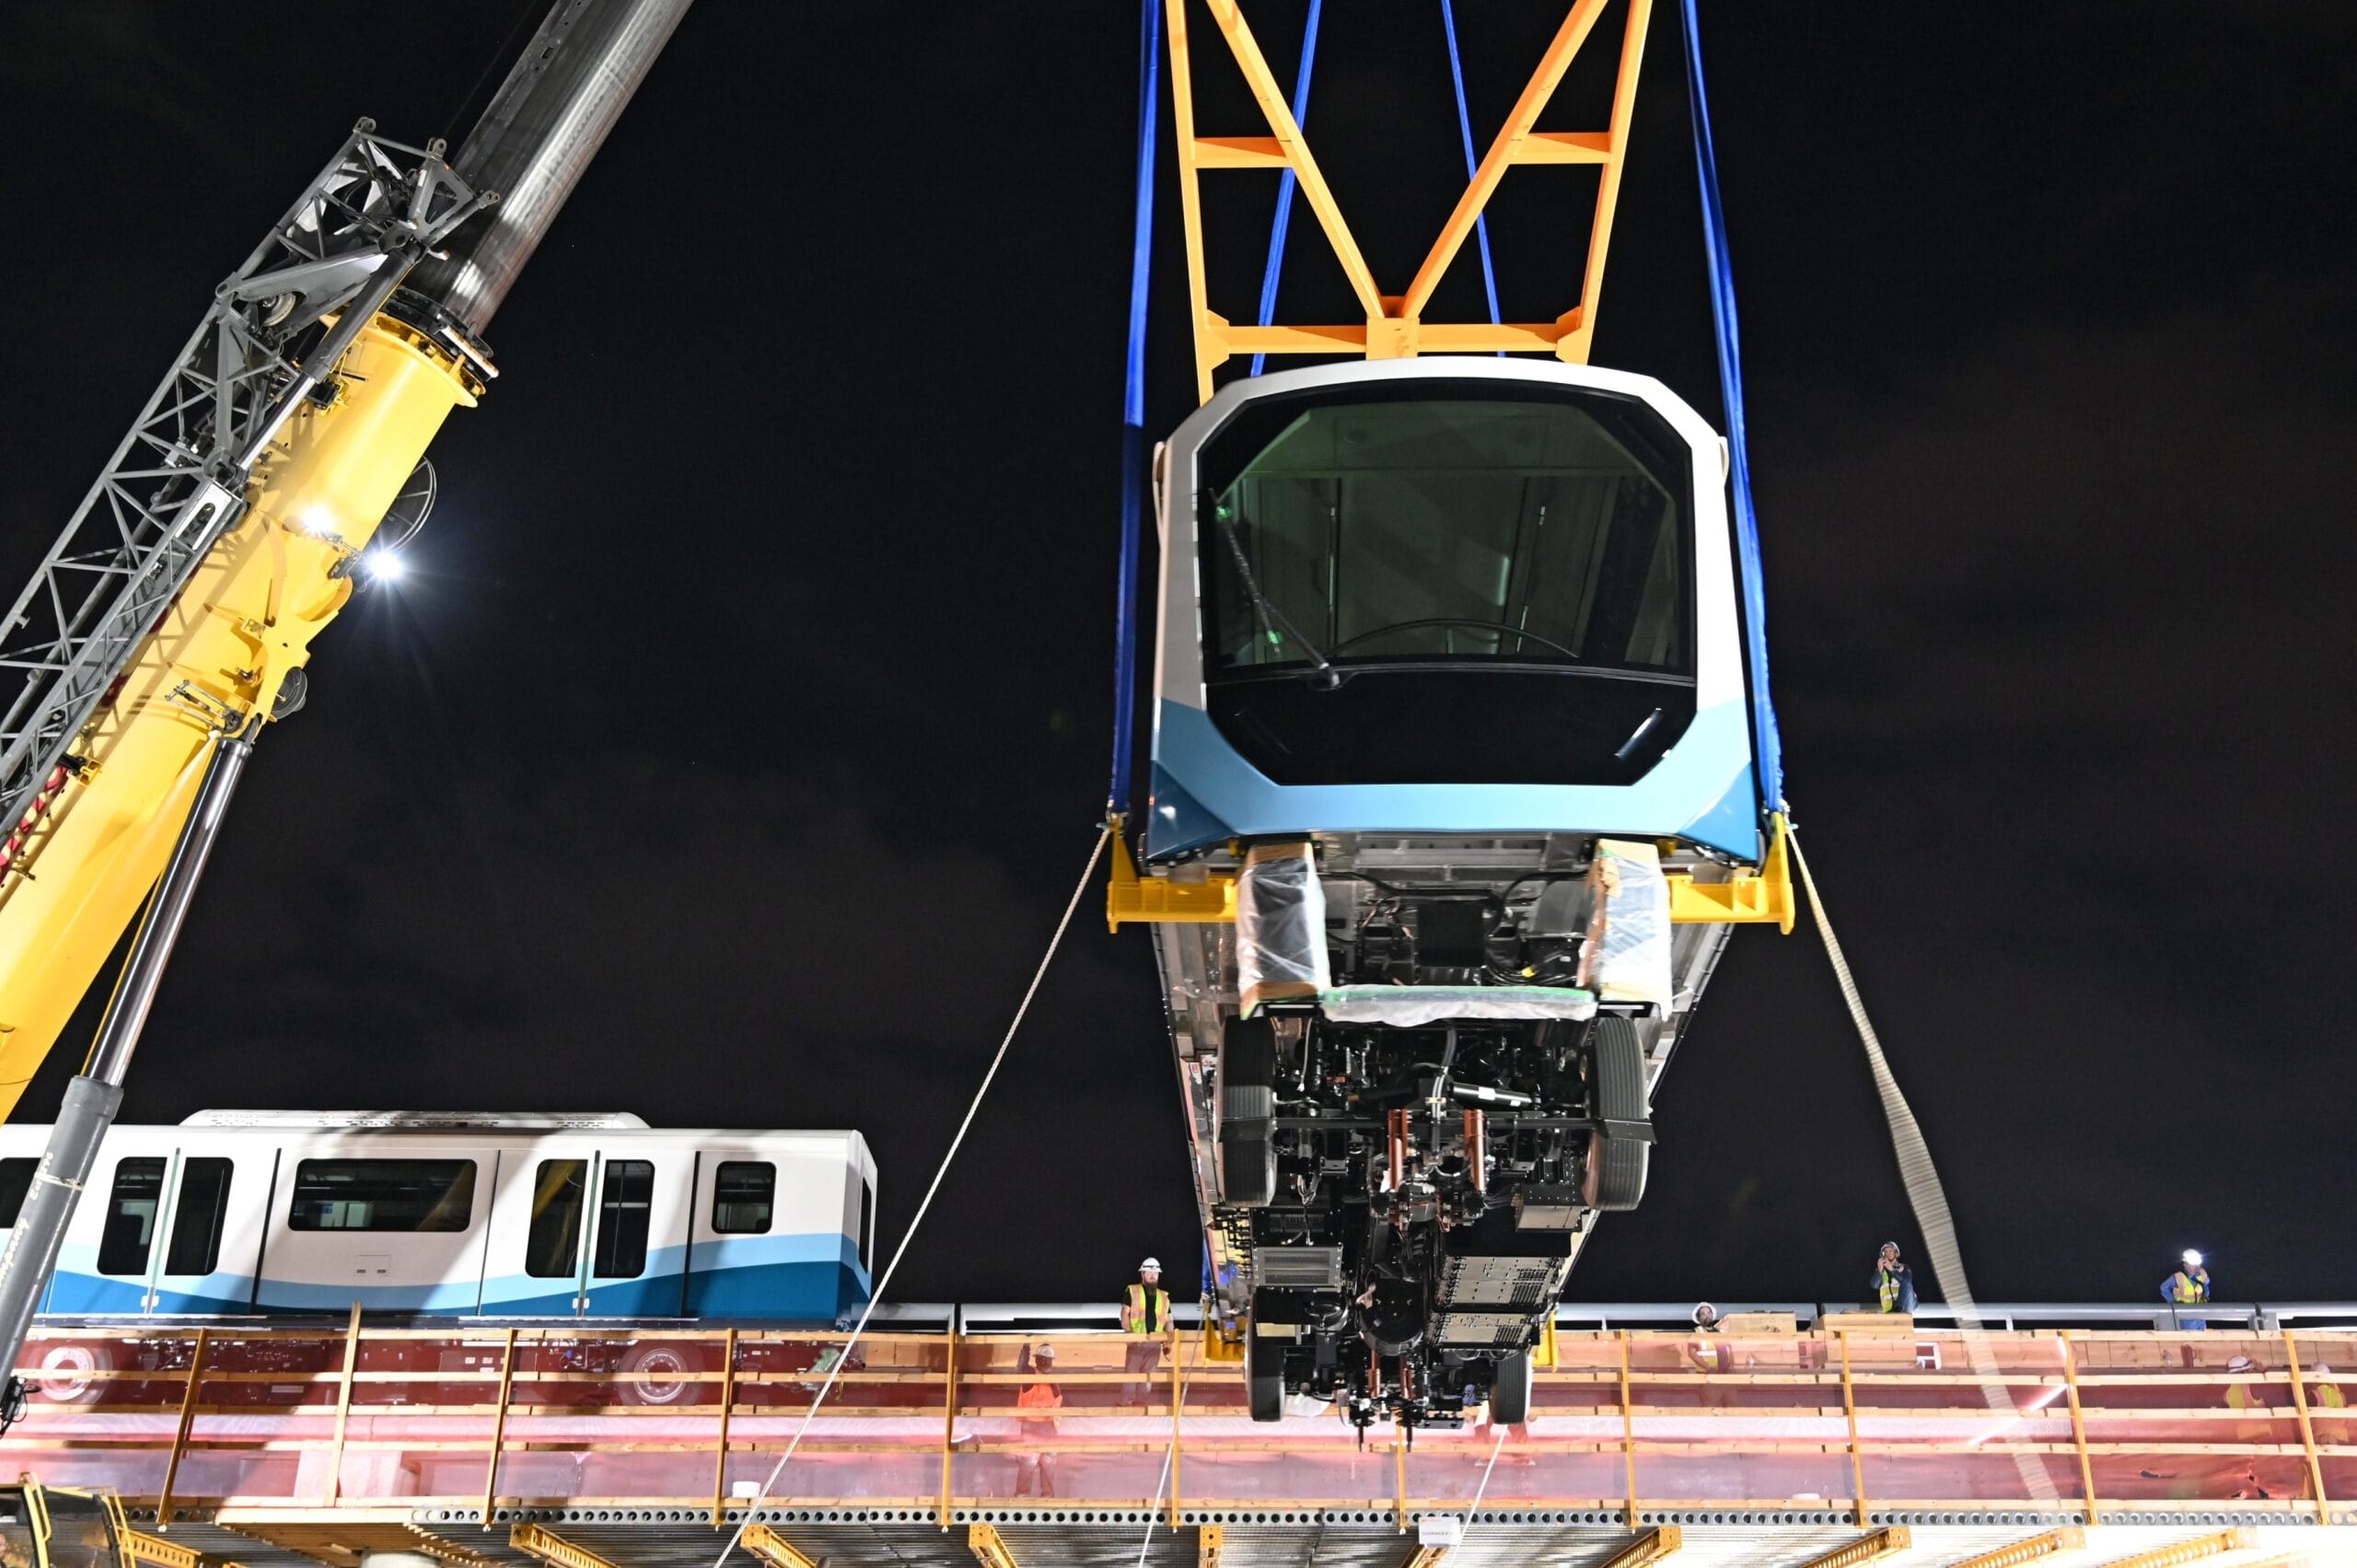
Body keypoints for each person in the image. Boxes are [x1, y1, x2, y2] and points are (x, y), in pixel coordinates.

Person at [1014, 1342, 1062, 1498]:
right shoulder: (1029, 1375)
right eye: (1043, 1359)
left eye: (1048, 1359)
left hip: (1049, 1427)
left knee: (1048, 1467)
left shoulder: (1053, 1380)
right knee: (1027, 1465)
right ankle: (1022, 1497)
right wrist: (1026, 1346)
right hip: (1032, 1426)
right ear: (1037, 1360)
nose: (1045, 1362)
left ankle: (1047, 1498)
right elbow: (1021, 1366)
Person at [1121, 1256, 1173, 1400]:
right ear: (1142, 1274)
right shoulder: (1133, 1291)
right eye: (1149, 1273)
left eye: (1156, 1274)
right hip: (1136, 1340)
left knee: (1148, 1377)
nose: (1153, 1276)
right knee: (1131, 1374)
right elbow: (1124, 1313)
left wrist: (1168, 1341)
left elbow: (1168, 1321)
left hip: (1155, 1343)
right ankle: (1126, 1402)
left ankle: (1141, 1403)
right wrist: (1129, 1334)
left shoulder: (1164, 1296)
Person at [2162, 1249, 2211, 1330]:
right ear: (2185, 1264)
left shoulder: (2202, 1274)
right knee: (2189, 1339)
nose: (2196, 1266)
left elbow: (2206, 1285)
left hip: (2200, 1314)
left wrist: (2205, 1297)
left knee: (2202, 1338)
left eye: (2197, 1263)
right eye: (2193, 1264)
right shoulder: (2178, 1277)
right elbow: (2164, 1288)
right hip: (2186, 1315)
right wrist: (2173, 1302)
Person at [1871, 1242, 1917, 1314]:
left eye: (1890, 1251)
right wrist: (1879, 1270)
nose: (1888, 1253)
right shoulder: (1881, 1271)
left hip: (1906, 1304)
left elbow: (1907, 1282)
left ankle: (1898, 1307)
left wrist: (1892, 1270)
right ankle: (1896, 1310)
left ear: (1896, 1253)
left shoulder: (1904, 1267)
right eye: (1885, 1252)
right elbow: (1874, 1285)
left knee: (1906, 1282)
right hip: (1890, 1308)